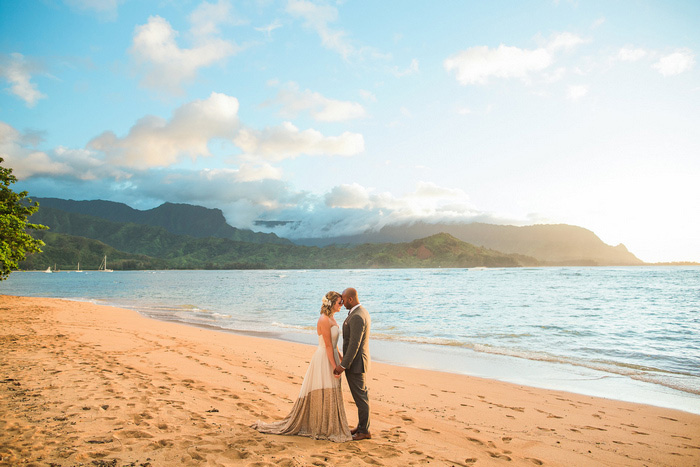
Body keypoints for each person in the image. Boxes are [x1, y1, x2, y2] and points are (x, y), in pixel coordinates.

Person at [252, 291, 352, 443]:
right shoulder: (324, 320)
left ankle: (329, 424)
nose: (342, 305)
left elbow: (334, 345)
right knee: (325, 387)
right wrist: (334, 367)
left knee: (332, 389)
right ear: (331, 303)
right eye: (339, 302)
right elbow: (326, 346)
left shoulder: (332, 318)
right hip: (324, 359)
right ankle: (320, 426)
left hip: (332, 357)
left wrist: (343, 361)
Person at [334, 287, 372, 441]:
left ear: (350, 299)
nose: (342, 303)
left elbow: (354, 345)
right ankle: (362, 427)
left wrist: (343, 365)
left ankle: (364, 431)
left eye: (343, 299)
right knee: (361, 397)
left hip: (356, 364)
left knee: (361, 398)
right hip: (356, 362)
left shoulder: (357, 316)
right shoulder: (359, 312)